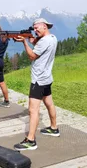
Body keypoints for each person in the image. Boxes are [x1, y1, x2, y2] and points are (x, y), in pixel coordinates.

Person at [13, 18, 59, 151]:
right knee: (49, 103)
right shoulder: (52, 38)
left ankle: (31, 140)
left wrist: (24, 43)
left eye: (37, 28)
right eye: (33, 28)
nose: (35, 30)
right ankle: (54, 128)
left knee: (33, 110)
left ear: (44, 26)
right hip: (47, 78)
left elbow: (32, 56)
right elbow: (38, 44)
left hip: (38, 80)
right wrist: (29, 40)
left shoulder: (44, 41)